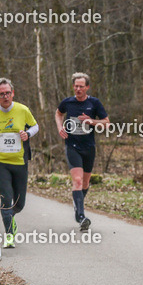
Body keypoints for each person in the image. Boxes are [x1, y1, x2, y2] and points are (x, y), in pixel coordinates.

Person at [0, 78, 38, 249]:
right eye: (1, 94)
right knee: (6, 197)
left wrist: (28, 134)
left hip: (20, 161)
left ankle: (11, 217)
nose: (5, 96)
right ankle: (9, 234)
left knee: (19, 203)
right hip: (0, 161)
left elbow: (35, 126)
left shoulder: (22, 109)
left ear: (13, 93)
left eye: (8, 93)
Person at [55, 72, 108, 230]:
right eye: (76, 86)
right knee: (77, 180)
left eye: (81, 86)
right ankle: (81, 217)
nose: (78, 89)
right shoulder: (67, 102)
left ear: (87, 87)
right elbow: (58, 114)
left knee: (85, 182)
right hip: (72, 146)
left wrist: (91, 121)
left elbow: (106, 123)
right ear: (73, 87)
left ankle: (77, 204)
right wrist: (60, 128)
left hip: (89, 147)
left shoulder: (94, 103)